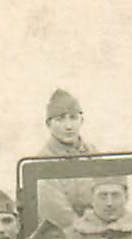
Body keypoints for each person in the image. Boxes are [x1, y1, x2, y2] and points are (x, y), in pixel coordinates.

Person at [36, 88, 101, 231]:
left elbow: (110, 190)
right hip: (65, 236)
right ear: (48, 124)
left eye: (73, 118)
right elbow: (58, 214)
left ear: (81, 120)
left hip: (100, 229)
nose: (68, 126)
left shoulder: (93, 152)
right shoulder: (43, 161)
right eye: (60, 119)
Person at [71, 175, 132, 239]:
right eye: (103, 196)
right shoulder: (74, 235)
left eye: (115, 195)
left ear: (126, 197)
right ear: (92, 198)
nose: (109, 203)